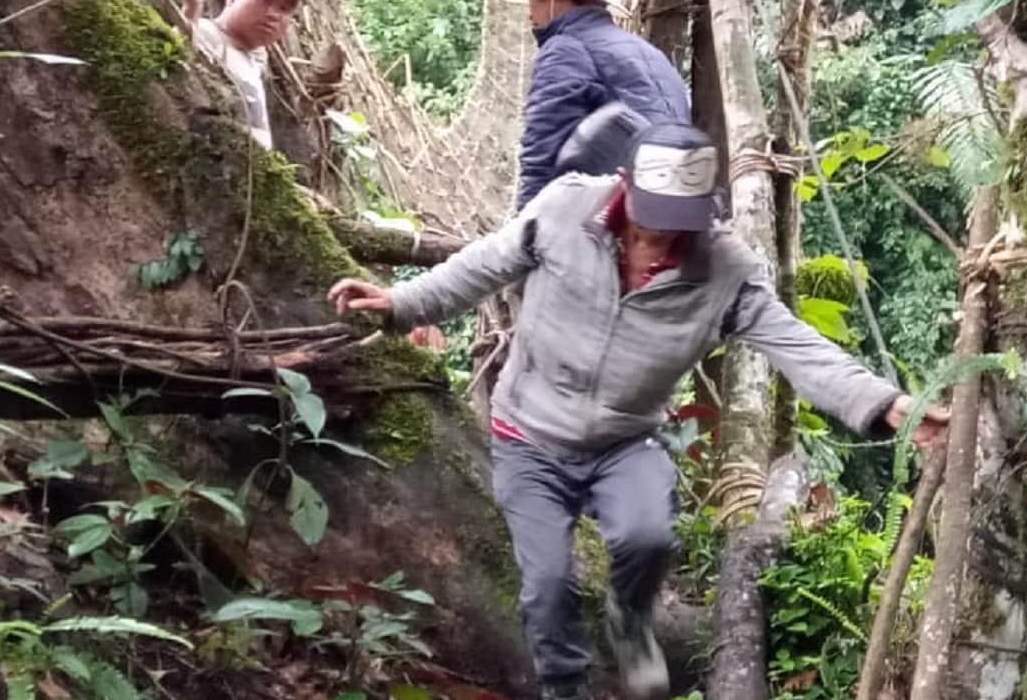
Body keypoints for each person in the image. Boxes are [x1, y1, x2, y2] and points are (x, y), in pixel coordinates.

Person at [326, 117, 949, 700]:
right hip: (529, 434)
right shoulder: (567, 208)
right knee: (547, 586)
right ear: (623, 186)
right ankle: (564, 689)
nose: (660, 235)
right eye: (653, 216)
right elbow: (481, 266)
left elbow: (797, 345)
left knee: (648, 535)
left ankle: (632, 619)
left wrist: (888, 403)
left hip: (625, 441)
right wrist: (398, 304)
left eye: (680, 220)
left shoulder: (724, 269)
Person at [488, 0, 692, 209]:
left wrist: (525, 235)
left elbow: (542, 155)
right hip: (681, 207)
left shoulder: (565, 49)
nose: (529, 13)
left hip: (622, 216)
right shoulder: (650, 53)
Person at [176, 0, 306, 150]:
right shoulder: (206, 33)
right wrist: (192, 8)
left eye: (285, 8)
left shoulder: (257, 57)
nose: (274, 15)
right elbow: (170, 59)